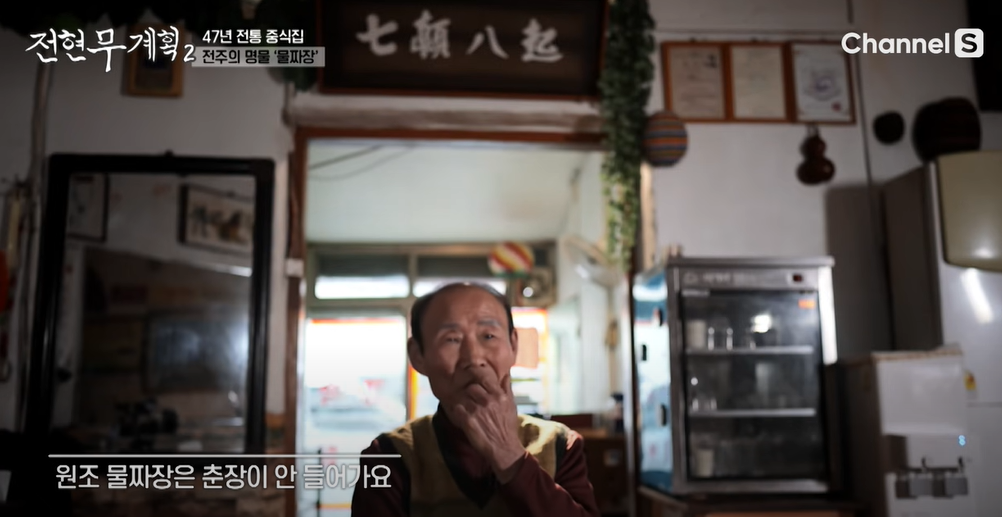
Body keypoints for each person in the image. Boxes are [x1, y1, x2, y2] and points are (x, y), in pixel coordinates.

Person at [351, 282, 600, 517]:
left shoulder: (559, 444)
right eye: (451, 339)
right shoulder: (387, 456)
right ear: (418, 356)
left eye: (488, 336)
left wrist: (509, 455)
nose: (473, 358)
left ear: (513, 346)